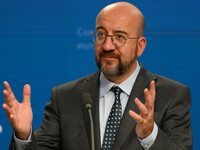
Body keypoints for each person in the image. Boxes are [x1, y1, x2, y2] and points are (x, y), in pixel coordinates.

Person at [3, 2, 192, 150]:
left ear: (140, 46)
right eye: (101, 35)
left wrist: (150, 136)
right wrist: (23, 135)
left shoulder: (171, 95)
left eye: (119, 37)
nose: (108, 46)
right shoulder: (65, 97)